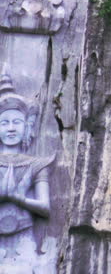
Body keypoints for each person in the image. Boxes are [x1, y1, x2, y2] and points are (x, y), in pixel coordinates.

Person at [0, 74, 52, 268]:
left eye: (17, 122)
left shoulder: (36, 164)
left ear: (27, 126)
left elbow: (45, 208)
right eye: (4, 123)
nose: (11, 129)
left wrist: (17, 198)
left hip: (24, 238)